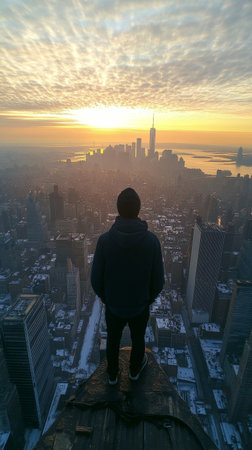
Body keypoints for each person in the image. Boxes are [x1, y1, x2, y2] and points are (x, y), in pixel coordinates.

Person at [91, 187, 164, 385]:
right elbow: (159, 281)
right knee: (138, 339)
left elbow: (95, 279)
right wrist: (146, 299)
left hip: (114, 306)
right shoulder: (151, 241)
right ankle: (134, 372)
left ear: (118, 209)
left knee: (113, 340)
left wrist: (107, 297)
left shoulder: (105, 241)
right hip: (140, 305)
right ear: (138, 210)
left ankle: (113, 375)